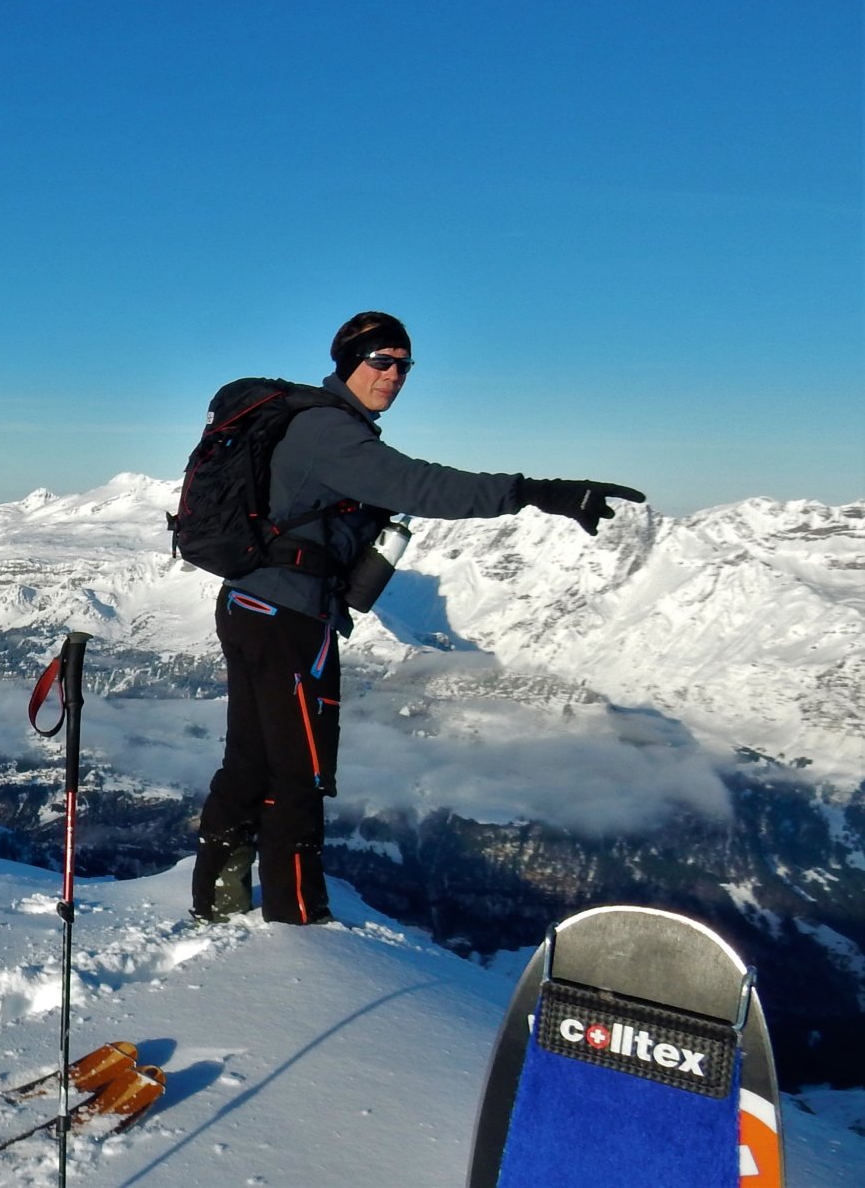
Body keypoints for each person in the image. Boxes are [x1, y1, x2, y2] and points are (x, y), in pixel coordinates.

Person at [191, 311, 645, 925]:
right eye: (381, 361)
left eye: (404, 365)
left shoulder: (321, 426)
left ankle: (216, 898)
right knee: (300, 769)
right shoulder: (330, 431)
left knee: (251, 759)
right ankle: (298, 922)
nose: (394, 375)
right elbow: (422, 486)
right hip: (289, 617)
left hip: (252, 605)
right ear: (348, 363)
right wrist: (539, 491)